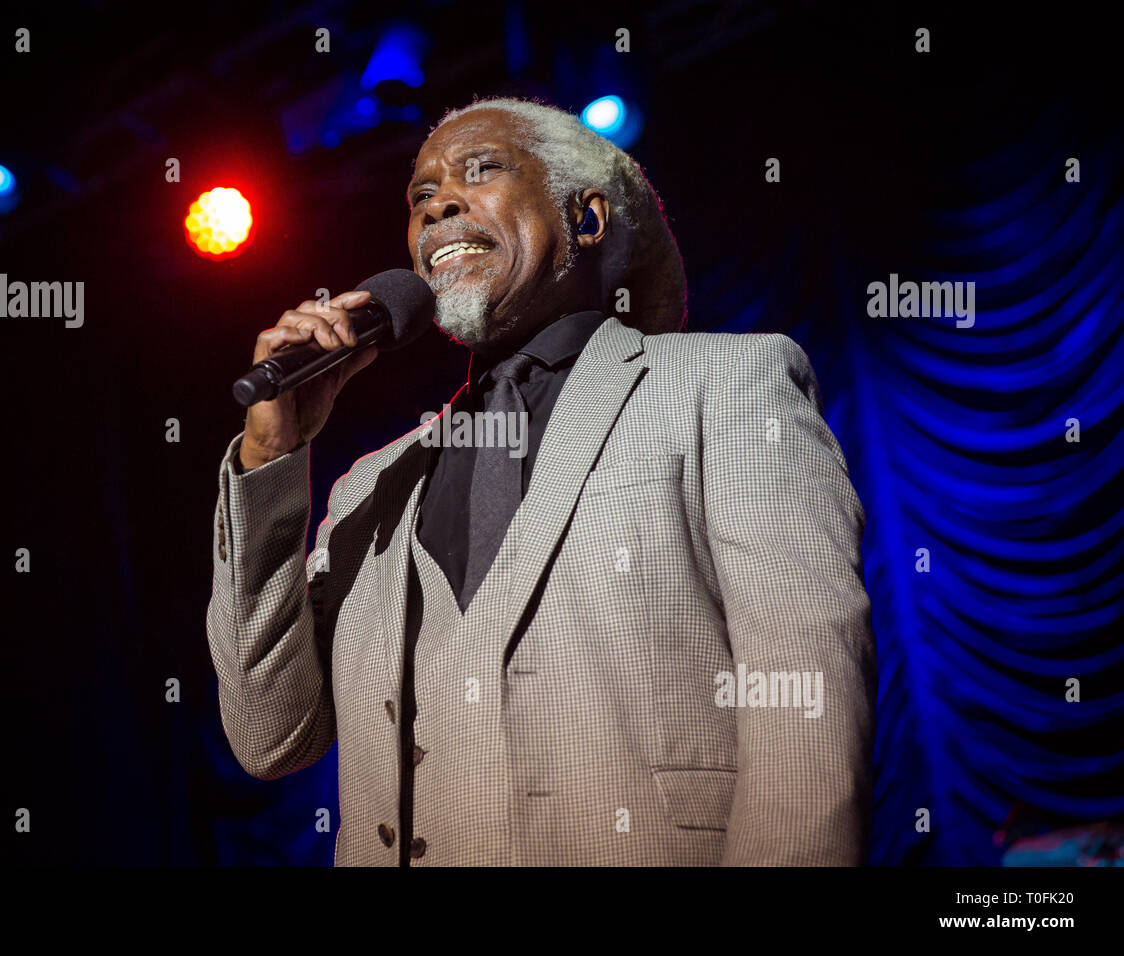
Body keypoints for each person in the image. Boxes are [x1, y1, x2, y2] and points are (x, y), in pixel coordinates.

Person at [207, 97, 876, 866]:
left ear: (588, 219)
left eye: (481, 170)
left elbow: (805, 698)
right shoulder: (369, 488)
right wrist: (269, 464)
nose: (438, 206)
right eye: (421, 198)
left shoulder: (723, 386)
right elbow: (270, 736)